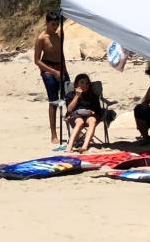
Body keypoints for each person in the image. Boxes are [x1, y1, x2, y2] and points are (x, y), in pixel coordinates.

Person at [34, 13, 70, 148]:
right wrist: (54, 72)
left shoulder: (60, 35)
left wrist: (64, 71)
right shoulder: (41, 38)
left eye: (57, 24)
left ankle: (70, 130)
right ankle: (54, 134)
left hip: (60, 67)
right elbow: (37, 60)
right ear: (47, 23)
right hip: (48, 69)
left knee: (68, 97)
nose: (55, 27)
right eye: (52, 24)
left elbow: (61, 53)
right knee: (54, 101)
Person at [65, 73, 102, 152]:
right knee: (80, 122)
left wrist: (92, 112)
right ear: (76, 84)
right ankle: (69, 146)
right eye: (82, 82)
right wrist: (77, 96)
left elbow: (98, 109)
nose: (85, 85)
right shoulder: (71, 95)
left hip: (89, 115)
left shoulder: (93, 96)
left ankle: (85, 146)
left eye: (87, 83)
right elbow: (69, 109)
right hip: (75, 115)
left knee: (93, 120)